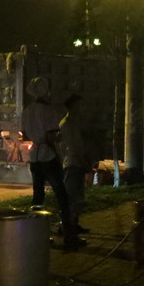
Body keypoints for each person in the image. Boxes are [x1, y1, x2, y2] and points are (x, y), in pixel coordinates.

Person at [21, 77, 85, 248]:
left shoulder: (27, 111)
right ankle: (69, 236)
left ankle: (34, 235)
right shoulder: (49, 111)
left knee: (37, 197)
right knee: (62, 197)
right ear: (45, 91)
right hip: (48, 157)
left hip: (34, 158)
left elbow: (25, 134)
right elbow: (52, 136)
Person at [59, 93, 90, 234]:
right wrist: (82, 161)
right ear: (72, 106)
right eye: (79, 105)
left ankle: (73, 224)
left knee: (77, 197)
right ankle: (66, 226)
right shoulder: (66, 124)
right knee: (71, 196)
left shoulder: (73, 123)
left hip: (76, 163)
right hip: (72, 163)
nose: (82, 108)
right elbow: (72, 148)